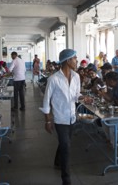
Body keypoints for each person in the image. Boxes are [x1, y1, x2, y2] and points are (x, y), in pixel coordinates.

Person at [40, 48, 83, 185]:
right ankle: (66, 180)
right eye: (75, 58)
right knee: (66, 147)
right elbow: (46, 100)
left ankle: (57, 161)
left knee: (65, 144)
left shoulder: (76, 77)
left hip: (72, 117)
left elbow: (76, 95)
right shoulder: (54, 79)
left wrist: (83, 98)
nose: (77, 61)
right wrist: (47, 121)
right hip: (60, 118)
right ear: (68, 60)